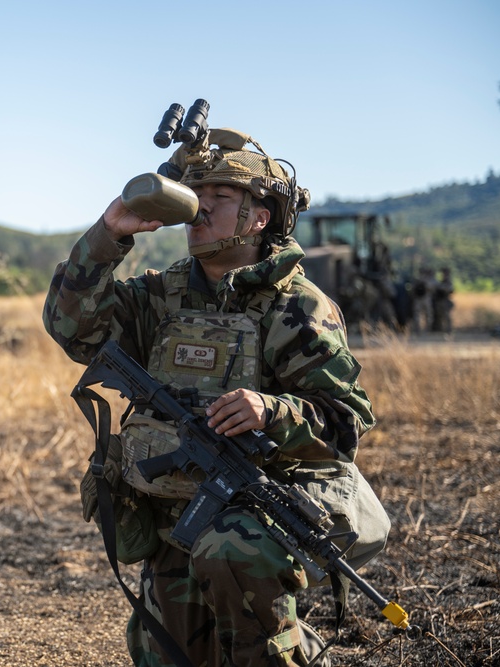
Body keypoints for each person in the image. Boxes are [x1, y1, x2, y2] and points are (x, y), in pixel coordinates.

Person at [43, 128, 390, 666]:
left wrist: (271, 411)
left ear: (260, 217)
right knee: (168, 654)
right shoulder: (161, 296)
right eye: (193, 198)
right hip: (172, 520)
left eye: (219, 199)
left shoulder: (296, 307)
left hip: (253, 520)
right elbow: (71, 328)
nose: (198, 210)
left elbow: (346, 422)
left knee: (247, 621)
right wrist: (110, 231)